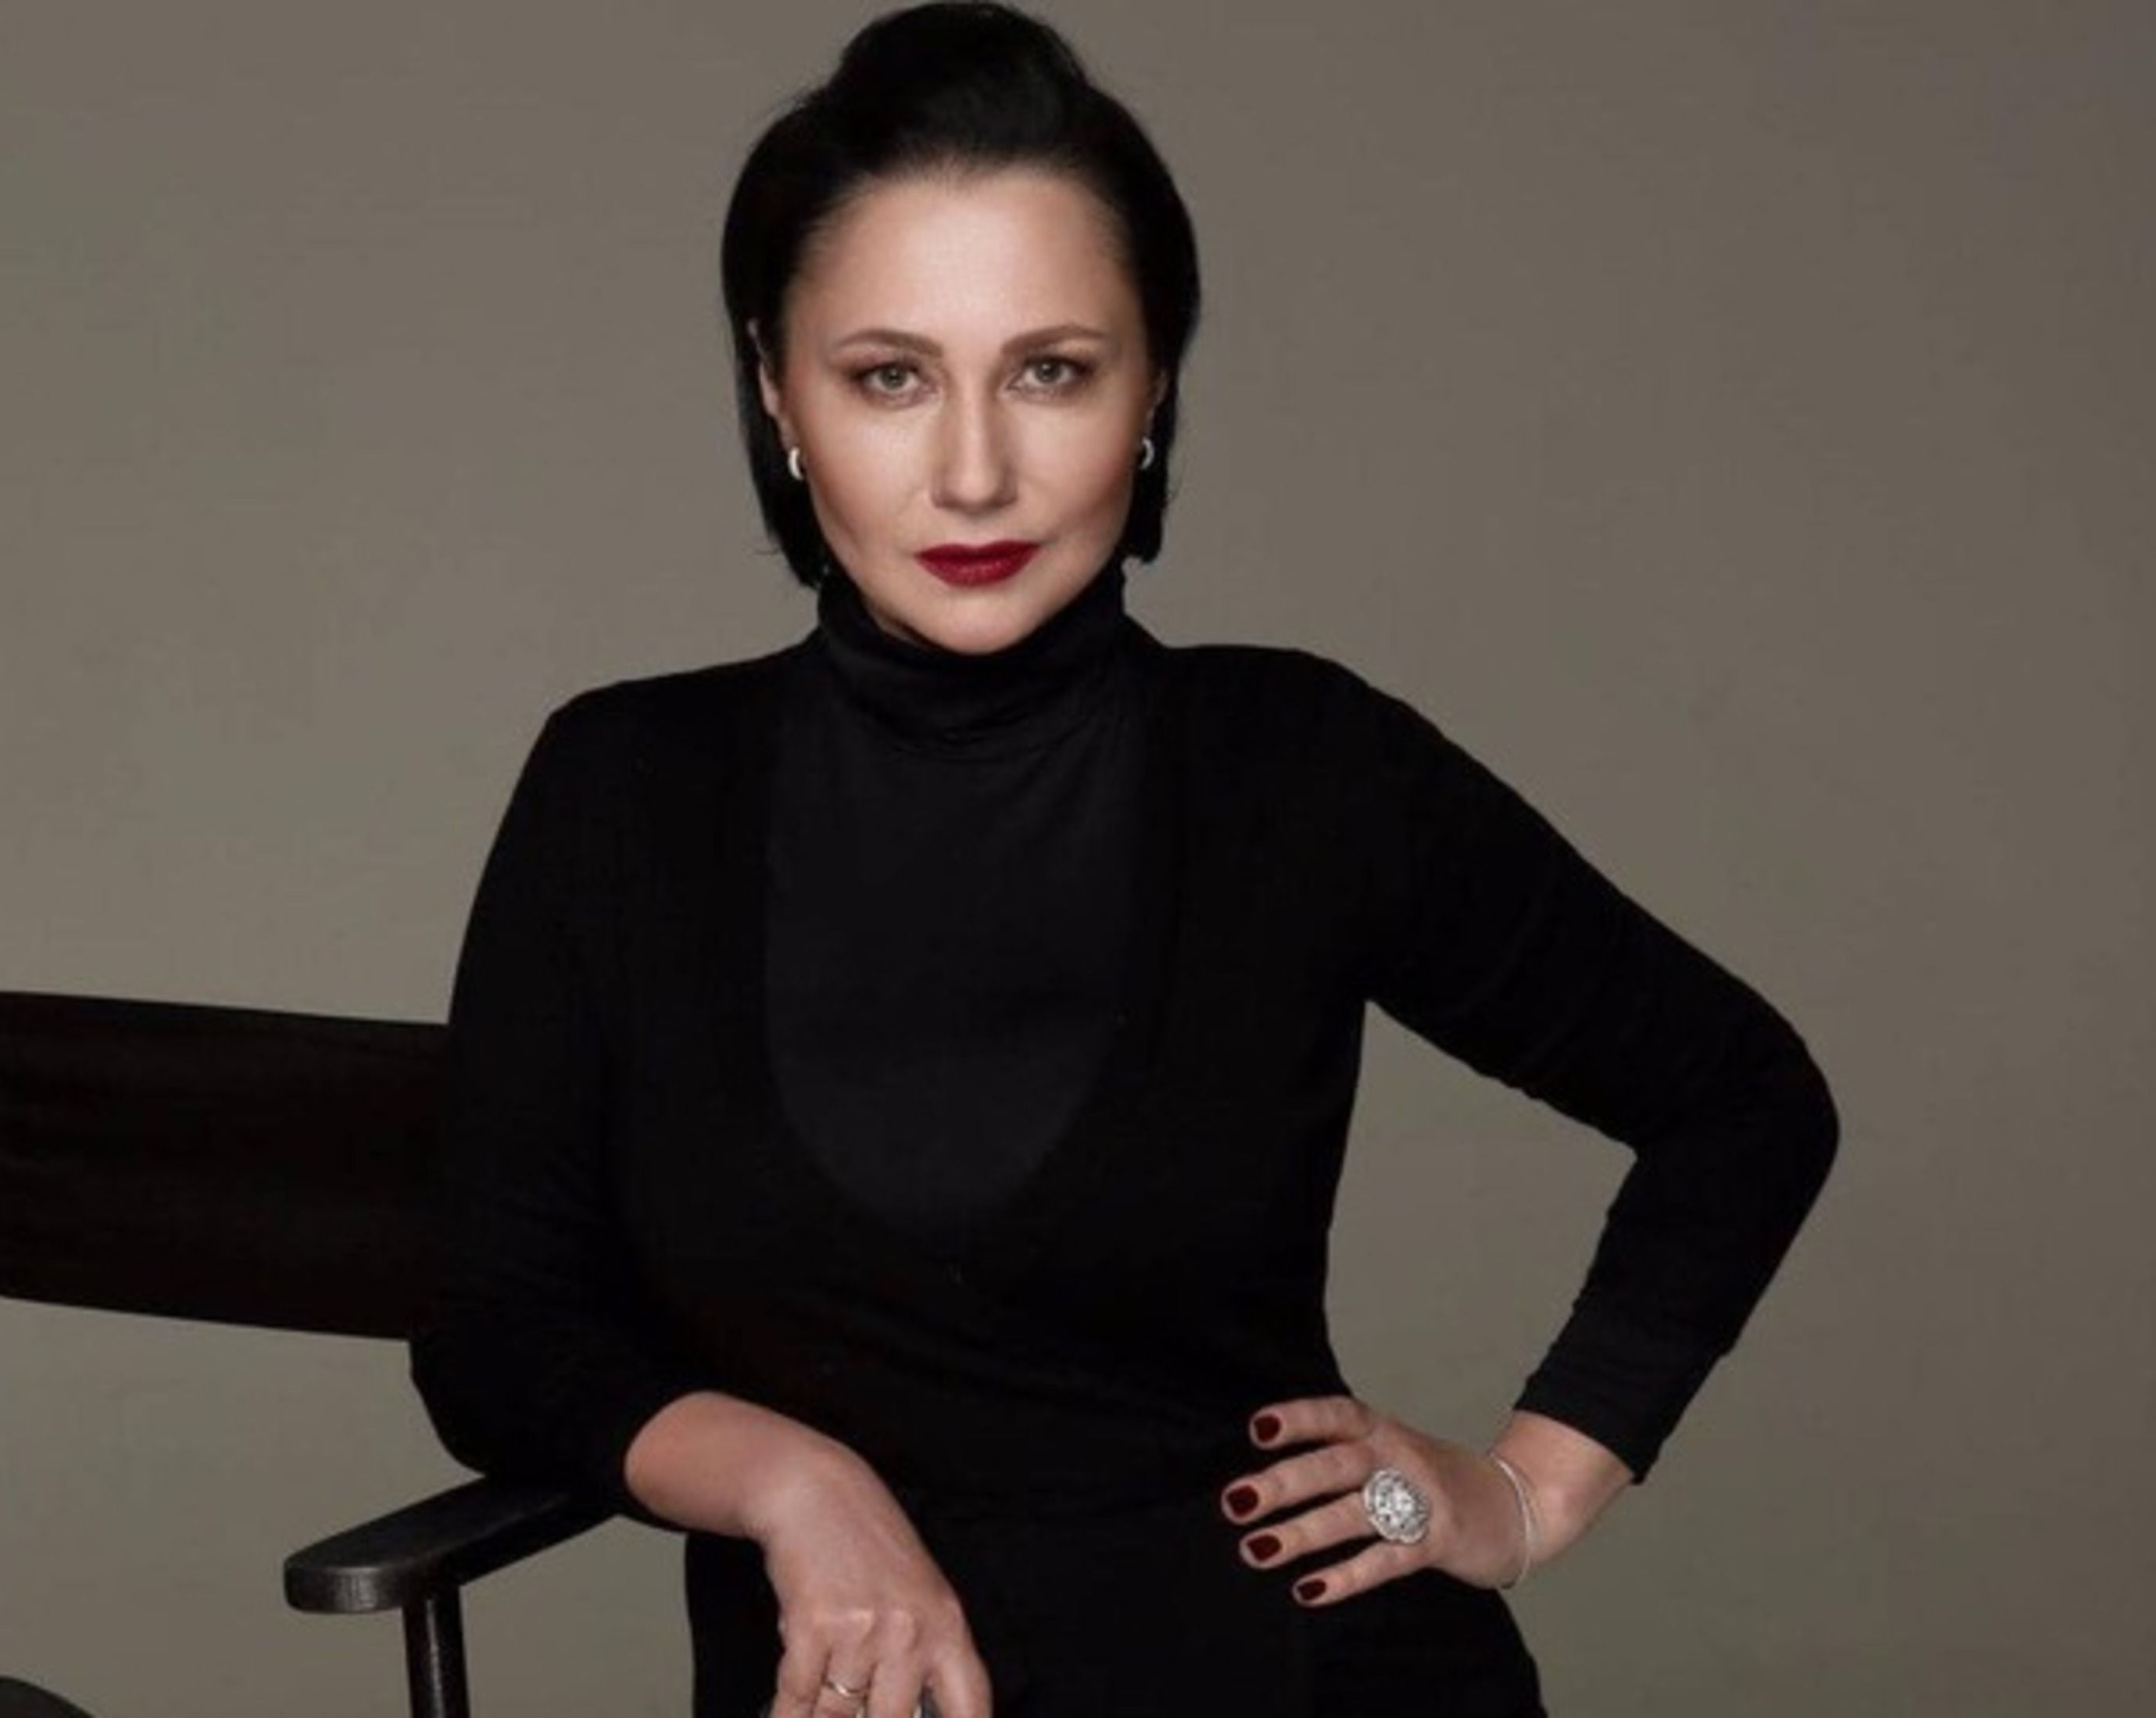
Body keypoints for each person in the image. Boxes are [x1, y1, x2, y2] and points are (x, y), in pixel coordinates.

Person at [407, 5, 1839, 1716]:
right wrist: (797, 1483)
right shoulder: (627, 791)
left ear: (1153, 387)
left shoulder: (1302, 766)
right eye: (889, 376)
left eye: (1053, 370)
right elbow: (497, 1329)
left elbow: (1742, 1099)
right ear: (777, 390)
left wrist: (1526, 1490)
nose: (974, 471)